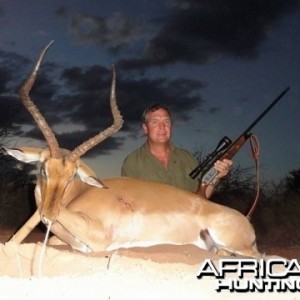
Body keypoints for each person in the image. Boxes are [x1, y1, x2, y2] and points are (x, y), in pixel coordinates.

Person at [121, 104, 232, 199]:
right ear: (145, 128)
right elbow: (129, 203)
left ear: (171, 126)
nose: (162, 127)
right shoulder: (132, 162)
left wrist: (216, 176)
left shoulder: (187, 158)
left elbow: (201, 197)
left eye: (166, 121)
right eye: (155, 122)